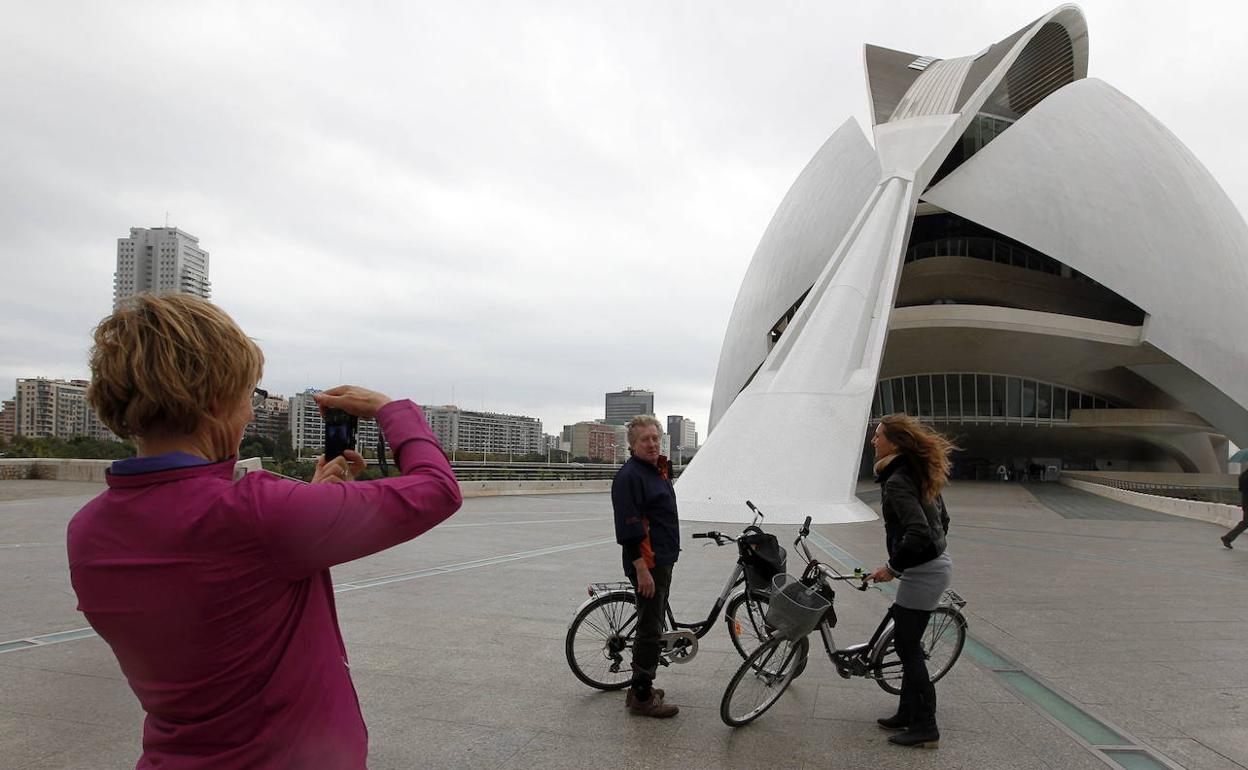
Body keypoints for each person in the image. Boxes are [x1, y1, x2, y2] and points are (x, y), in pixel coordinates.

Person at [66, 294, 462, 769]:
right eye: (248, 394)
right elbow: (437, 490)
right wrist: (392, 409)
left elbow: (224, 590)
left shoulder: (87, 530)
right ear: (214, 398)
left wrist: (309, 500)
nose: (251, 413)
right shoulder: (258, 514)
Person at [867, 413, 956, 749]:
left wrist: (893, 566)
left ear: (895, 442)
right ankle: (906, 712)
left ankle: (926, 726)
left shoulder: (898, 480)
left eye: (879, 436)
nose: (874, 441)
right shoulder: (914, 472)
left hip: (925, 571)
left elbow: (919, 530)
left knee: (906, 646)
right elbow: (942, 521)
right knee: (908, 641)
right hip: (929, 566)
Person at [611, 414, 680, 718]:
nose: (652, 443)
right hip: (647, 562)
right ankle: (641, 695)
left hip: (662, 557)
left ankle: (642, 686)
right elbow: (628, 528)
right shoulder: (630, 477)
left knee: (652, 620)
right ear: (632, 444)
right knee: (650, 628)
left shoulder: (657, 469)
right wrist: (640, 568)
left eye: (655, 438)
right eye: (645, 439)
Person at [1221, 465, 1248, 548]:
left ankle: (1228, 538)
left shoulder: (1243, 475)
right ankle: (1227, 538)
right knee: (1245, 523)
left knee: (1245, 522)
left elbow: (1240, 489)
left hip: (1245, 501)